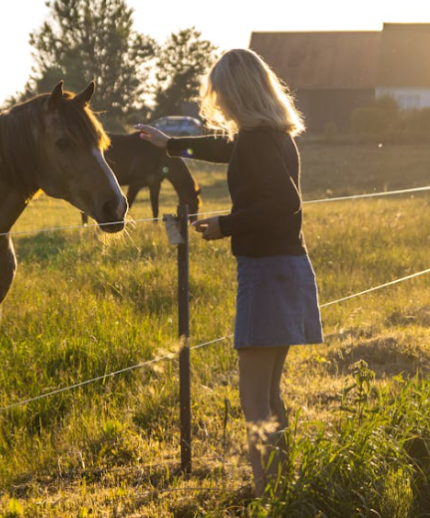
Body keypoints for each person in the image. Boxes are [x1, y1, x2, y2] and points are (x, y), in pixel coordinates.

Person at [136, 48, 323, 497]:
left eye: (219, 93)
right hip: (289, 267)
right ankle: (281, 489)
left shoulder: (258, 140)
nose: (216, 102)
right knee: (270, 393)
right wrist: (171, 144)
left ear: (236, 92)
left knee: (254, 400)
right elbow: (227, 149)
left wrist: (226, 225)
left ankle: (266, 496)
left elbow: (284, 205)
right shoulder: (273, 135)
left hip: (265, 272)